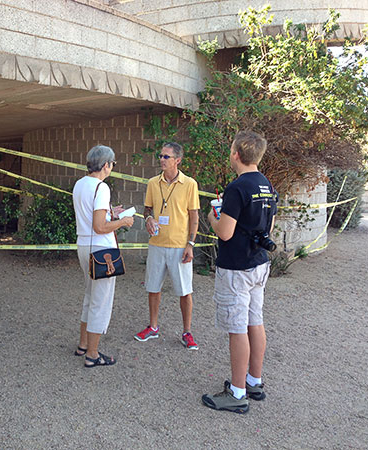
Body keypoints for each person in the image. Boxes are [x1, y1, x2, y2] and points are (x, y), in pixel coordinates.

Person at [202, 131, 277, 414]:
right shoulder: (266, 185)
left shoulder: (237, 188)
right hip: (259, 264)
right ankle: (253, 380)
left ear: (236, 154)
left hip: (236, 268)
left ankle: (236, 393)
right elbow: (268, 229)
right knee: (254, 321)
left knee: (237, 327)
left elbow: (224, 232)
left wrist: (213, 216)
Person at [72, 145, 134, 368]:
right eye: (113, 164)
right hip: (101, 249)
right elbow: (100, 226)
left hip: (84, 245)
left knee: (90, 296)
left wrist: (111, 213)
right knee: (101, 301)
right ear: (106, 165)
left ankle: (83, 345)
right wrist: (123, 221)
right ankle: (93, 353)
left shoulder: (80, 184)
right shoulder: (101, 187)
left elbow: (91, 217)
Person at [134, 142, 200, 349]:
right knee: (153, 288)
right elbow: (147, 209)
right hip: (156, 244)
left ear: (177, 160)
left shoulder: (189, 184)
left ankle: (187, 332)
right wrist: (148, 219)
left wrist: (190, 244)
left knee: (184, 291)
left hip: (180, 246)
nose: (161, 159)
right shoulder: (153, 183)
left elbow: (194, 216)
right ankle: (153, 327)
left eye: (166, 157)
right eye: (160, 156)